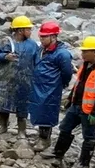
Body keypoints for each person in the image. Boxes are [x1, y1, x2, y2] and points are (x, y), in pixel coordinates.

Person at [49, 37, 95, 168]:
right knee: (65, 128)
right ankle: (58, 154)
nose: (82, 54)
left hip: (89, 110)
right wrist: (70, 97)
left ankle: (84, 163)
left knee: (89, 136)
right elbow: (79, 83)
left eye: (85, 51)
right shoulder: (86, 64)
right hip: (76, 105)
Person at [0, 16, 40, 137]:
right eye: (28, 29)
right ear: (20, 31)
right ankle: (3, 126)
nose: (30, 31)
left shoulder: (33, 45)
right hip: (6, 79)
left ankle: (21, 130)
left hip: (25, 79)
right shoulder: (5, 41)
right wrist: (5, 57)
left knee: (23, 105)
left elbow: (38, 61)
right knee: (3, 103)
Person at [29, 21, 75, 151]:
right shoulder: (41, 50)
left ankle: (45, 139)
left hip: (51, 87)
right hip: (38, 85)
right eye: (41, 37)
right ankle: (41, 136)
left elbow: (67, 72)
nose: (41, 39)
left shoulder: (62, 54)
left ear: (54, 37)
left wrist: (61, 83)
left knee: (47, 112)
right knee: (38, 111)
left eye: (44, 37)